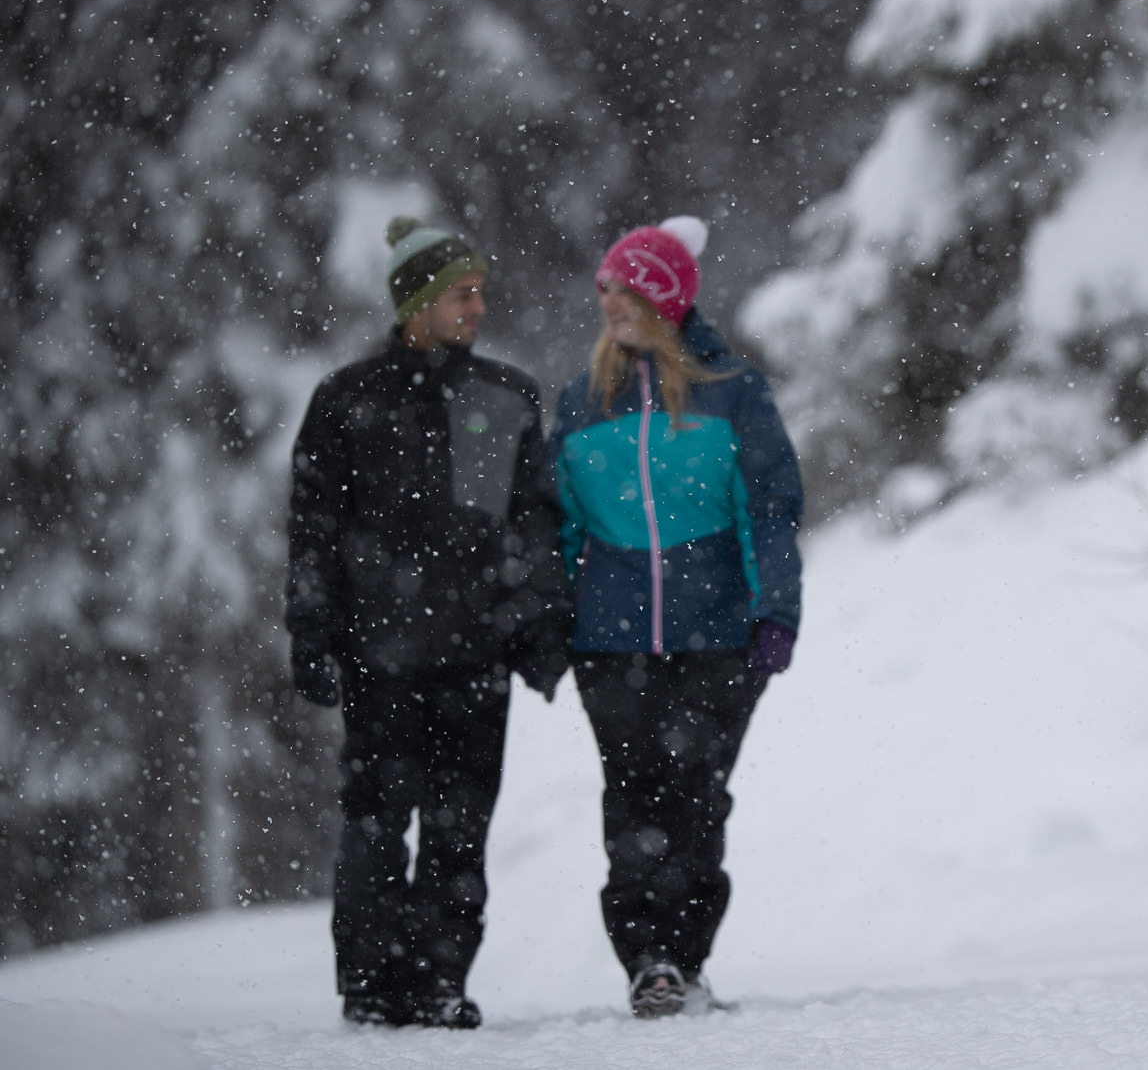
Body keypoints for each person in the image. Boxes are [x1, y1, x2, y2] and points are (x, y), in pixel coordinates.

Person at [285, 216, 572, 1029]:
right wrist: (311, 631)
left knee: (461, 828)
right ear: (416, 303)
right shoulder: (345, 400)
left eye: (480, 292)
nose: (477, 307)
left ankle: (440, 979)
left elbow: (534, 522)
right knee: (377, 822)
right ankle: (372, 985)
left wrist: (539, 624)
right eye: (461, 294)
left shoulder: (508, 397)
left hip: (475, 657)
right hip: (378, 659)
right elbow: (312, 528)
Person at [549, 215, 804, 1018]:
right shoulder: (583, 402)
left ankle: (686, 957)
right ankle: (648, 959)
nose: (610, 303)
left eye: (625, 290)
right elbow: (559, 526)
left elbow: (770, 508)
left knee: (697, 797)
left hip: (717, 633)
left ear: (665, 299)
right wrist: (550, 618)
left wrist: (776, 610)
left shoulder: (733, 392)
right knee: (633, 798)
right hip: (610, 639)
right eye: (605, 289)